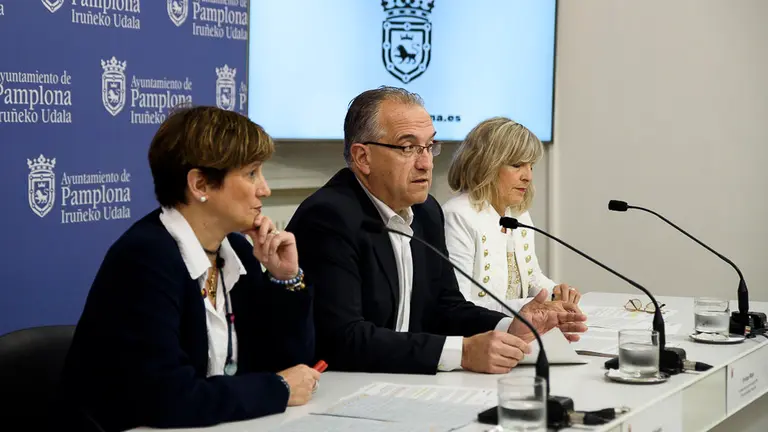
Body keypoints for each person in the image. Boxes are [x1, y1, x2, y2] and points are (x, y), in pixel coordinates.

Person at [286, 87, 586, 376]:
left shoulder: (426, 212)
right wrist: (462, 352)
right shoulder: (329, 217)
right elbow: (343, 338)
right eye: (408, 148)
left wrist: (511, 326)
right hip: (339, 385)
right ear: (363, 158)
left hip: (402, 378)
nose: (425, 163)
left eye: (429, 147)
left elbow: (446, 307)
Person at [57, 106, 319, 431]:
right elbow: (168, 397)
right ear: (200, 185)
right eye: (251, 173)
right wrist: (275, 390)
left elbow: (291, 367)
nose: (264, 189)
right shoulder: (145, 259)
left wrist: (286, 279)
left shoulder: (236, 250)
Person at [443, 117, 582, 314]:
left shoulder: (518, 214)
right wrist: (531, 307)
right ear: (485, 164)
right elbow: (459, 305)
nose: (528, 176)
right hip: (481, 330)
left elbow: (531, 278)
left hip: (516, 326)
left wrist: (556, 294)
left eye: (531, 166)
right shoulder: (458, 215)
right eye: (517, 165)